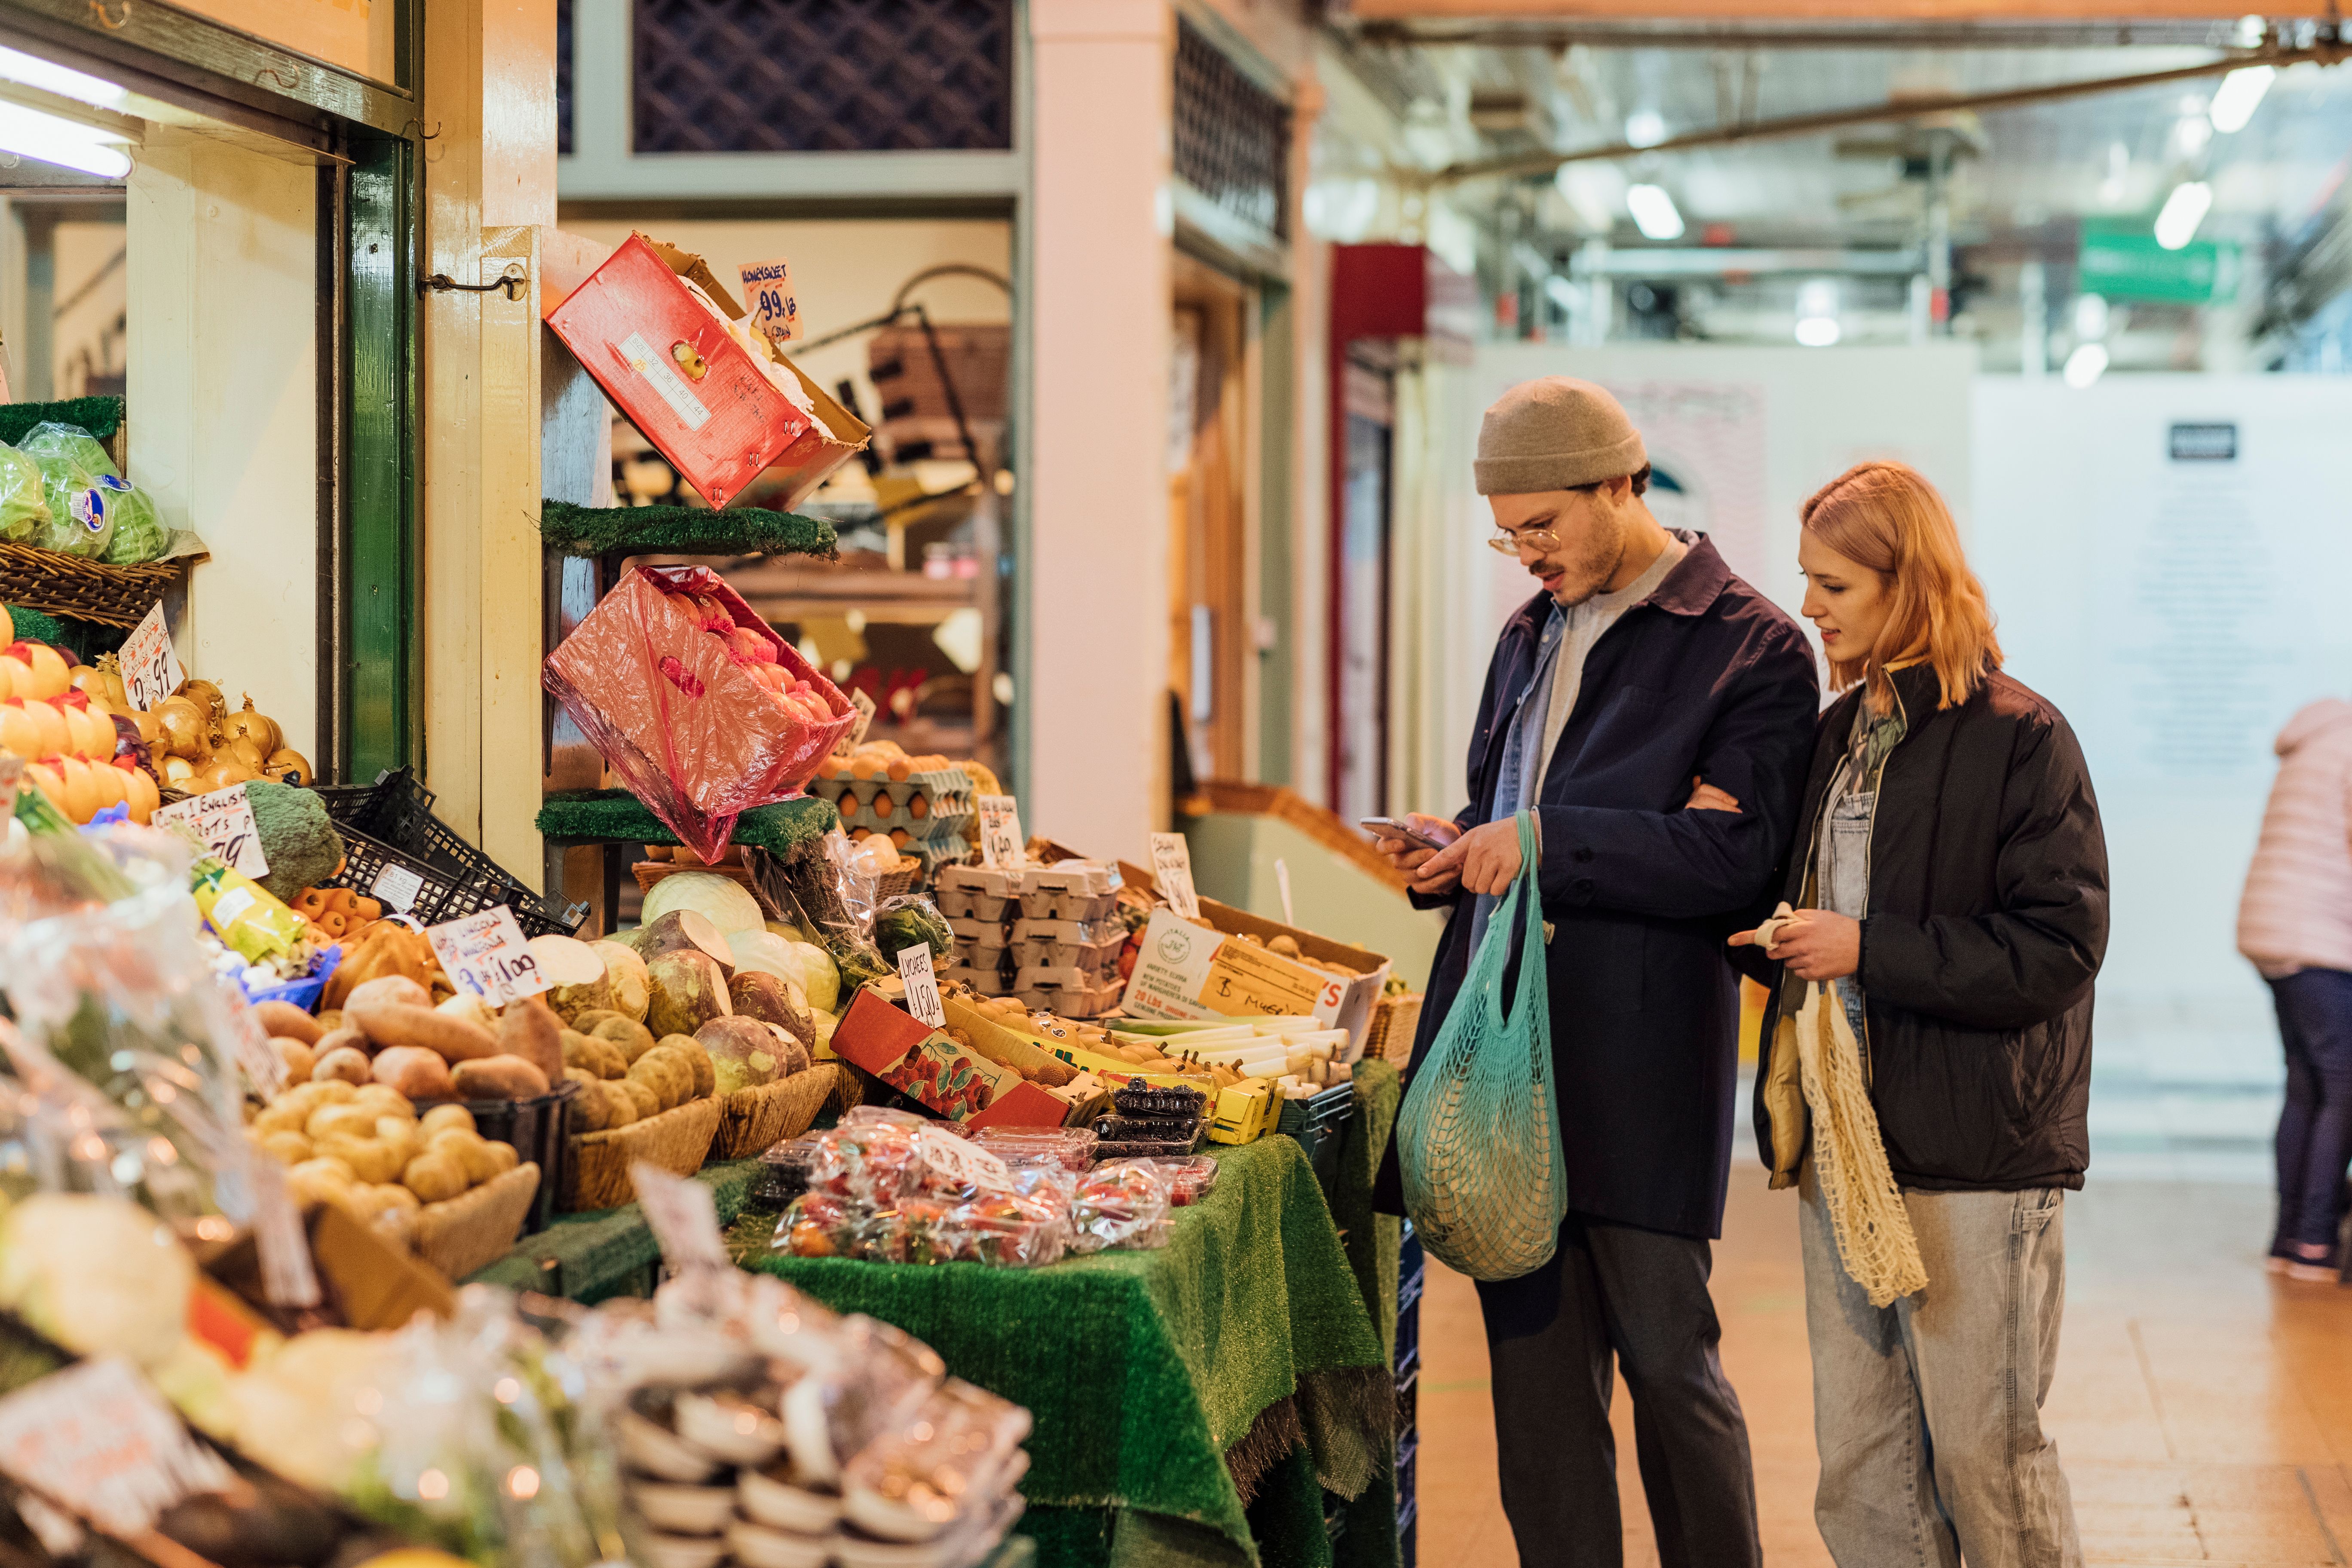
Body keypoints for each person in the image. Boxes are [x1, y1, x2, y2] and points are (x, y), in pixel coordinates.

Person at [1370, 376, 1818, 1568]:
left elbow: (1733, 858)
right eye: (1508, 534)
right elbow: (1511, 811)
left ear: (1623, 485)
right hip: (1502, 1054)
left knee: (1672, 1364)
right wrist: (1455, 848)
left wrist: (1545, 844)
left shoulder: (1751, 646)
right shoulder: (1530, 634)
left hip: (1638, 1055)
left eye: (1545, 527)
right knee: (1535, 1387)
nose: (1527, 556)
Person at [1730, 460, 2106, 1568]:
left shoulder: (2023, 736)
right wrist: (1781, 943)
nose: (1810, 608)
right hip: (1847, 1150)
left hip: (1976, 1158)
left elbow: (2060, 949)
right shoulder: (1840, 734)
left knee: (1987, 1467)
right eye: (1808, 581)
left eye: (1835, 585)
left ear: (1911, 584)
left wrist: (1864, 950)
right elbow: (1826, 921)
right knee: (1861, 1473)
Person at [2237, 698, 2352, 1280]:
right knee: (2342, 1083)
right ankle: (2314, 1240)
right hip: (2320, 937)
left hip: (2275, 929)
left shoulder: (2319, 737)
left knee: (2308, 1083)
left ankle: (2290, 1237)